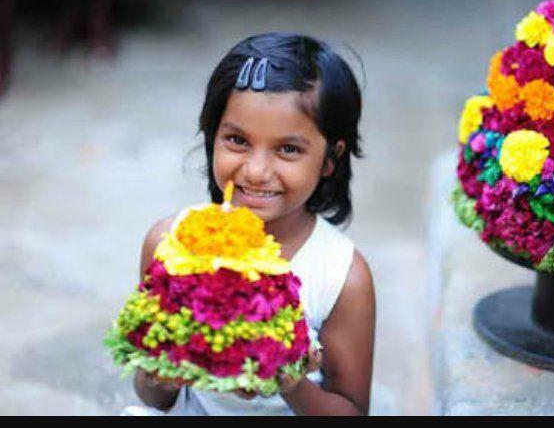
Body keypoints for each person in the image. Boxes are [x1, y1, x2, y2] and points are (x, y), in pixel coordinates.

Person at [125, 33, 375, 416]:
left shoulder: (343, 276)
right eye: (237, 140)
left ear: (330, 159)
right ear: (213, 138)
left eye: (288, 149)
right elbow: (153, 398)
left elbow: (352, 410)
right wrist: (163, 369)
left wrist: (288, 377)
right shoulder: (170, 245)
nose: (256, 172)